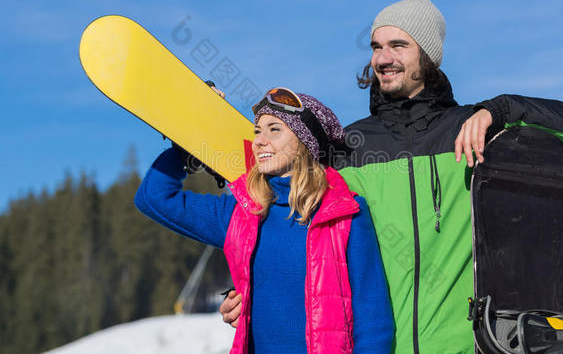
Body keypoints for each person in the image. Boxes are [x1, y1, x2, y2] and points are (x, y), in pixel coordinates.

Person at [220, 0, 563, 353]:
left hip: (466, 345)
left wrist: (501, 110)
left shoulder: (474, 131)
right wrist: (250, 285)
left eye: (398, 45)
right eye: (376, 47)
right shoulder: (347, 148)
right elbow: (288, 220)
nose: (383, 58)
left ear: (429, 55)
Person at [134, 87, 394, 353]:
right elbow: (154, 198)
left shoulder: (345, 213)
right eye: (257, 131)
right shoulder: (240, 213)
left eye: (274, 129)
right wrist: (185, 146)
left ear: (304, 142)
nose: (259, 141)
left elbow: (373, 321)